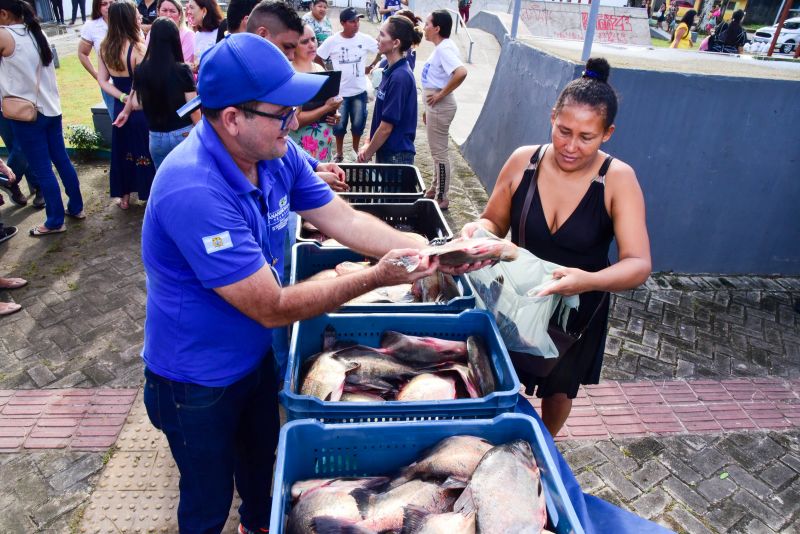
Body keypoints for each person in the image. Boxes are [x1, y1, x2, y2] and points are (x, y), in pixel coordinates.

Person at [141, 33, 482, 534]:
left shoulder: (274, 153)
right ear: (232, 118)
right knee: (206, 499)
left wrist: (423, 252)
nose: (295, 120)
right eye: (282, 112)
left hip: (252, 359)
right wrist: (375, 275)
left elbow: (342, 218)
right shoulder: (194, 189)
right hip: (194, 379)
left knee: (262, 470)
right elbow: (272, 306)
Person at [461, 58, 651, 437]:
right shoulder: (523, 162)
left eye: (587, 137)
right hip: (516, 300)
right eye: (563, 131)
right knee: (499, 374)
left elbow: (638, 263)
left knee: (559, 388)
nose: (570, 146)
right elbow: (493, 222)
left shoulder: (617, 179)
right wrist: (476, 230)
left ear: (608, 133)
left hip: (576, 310)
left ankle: (543, 444)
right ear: (551, 117)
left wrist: (587, 280)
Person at [0, 0, 85, 235]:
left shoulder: (6, 35)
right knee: (62, 160)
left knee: (42, 169)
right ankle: (76, 207)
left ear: (4, 14)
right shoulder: (36, 32)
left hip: (27, 115)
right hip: (51, 109)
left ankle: (55, 221)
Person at [116, 17, 199, 168]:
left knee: (164, 182)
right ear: (175, 40)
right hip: (183, 132)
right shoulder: (182, 70)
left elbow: (136, 103)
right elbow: (193, 109)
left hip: (156, 136)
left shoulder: (142, 70)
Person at [98, 0, 155, 209]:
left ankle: (124, 196)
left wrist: (121, 99)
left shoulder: (105, 47)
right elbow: (140, 84)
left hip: (119, 104)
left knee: (123, 150)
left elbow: (103, 81)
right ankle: (148, 193)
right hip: (139, 107)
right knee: (144, 149)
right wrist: (128, 101)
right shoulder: (138, 48)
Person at [316, 7, 378, 163]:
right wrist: (327, 73)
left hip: (359, 91)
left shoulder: (364, 39)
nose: (356, 24)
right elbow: (318, 56)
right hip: (340, 93)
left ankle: (356, 151)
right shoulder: (333, 40)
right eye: (352, 21)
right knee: (339, 126)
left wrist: (372, 66)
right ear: (343, 23)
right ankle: (339, 153)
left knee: (358, 124)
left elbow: (381, 47)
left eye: (358, 21)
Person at [420, 9, 467, 210]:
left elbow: (461, 72)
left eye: (428, 24)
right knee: (436, 152)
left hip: (440, 106)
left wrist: (440, 95)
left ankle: (441, 196)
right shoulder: (441, 47)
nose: (424, 28)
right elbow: (438, 77)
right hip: (435, 107)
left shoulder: (443, 49)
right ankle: (434, 189)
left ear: (437, 28)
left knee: (439, 153)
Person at [358, 15, 420, 164]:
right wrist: (368, 141)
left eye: (382, 34)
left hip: (396, 156)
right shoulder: (389, 70)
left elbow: (386, 127)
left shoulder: (400, 77)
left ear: (396, 43)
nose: (377, 39)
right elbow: (380, 116)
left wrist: (367, 153)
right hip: (386, 152)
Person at [289, 23, 342, 164]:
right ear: (293, 45)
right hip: (301, 151)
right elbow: (295, 121)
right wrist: (326, 108)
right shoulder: (291, 74)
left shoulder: (319, 68)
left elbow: (329, 107)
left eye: (313, 39)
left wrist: (334, 115)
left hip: (324, 147)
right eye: (305, 41)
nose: (312, 45)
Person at [78, 0, 118, 120]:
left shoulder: (126, 20)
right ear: (97, 7)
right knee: (117, 121)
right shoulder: (91, 26)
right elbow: (82, 53)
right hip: (109, 83)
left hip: (130, 80)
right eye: (104, 4)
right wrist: (97, 76)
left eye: (111, 2)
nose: (108, 7)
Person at [0, 105, 36, 207]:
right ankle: (35, 183)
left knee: (23, 146)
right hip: (2, 108)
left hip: (21, 103)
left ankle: (9, 182)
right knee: (17, 147)